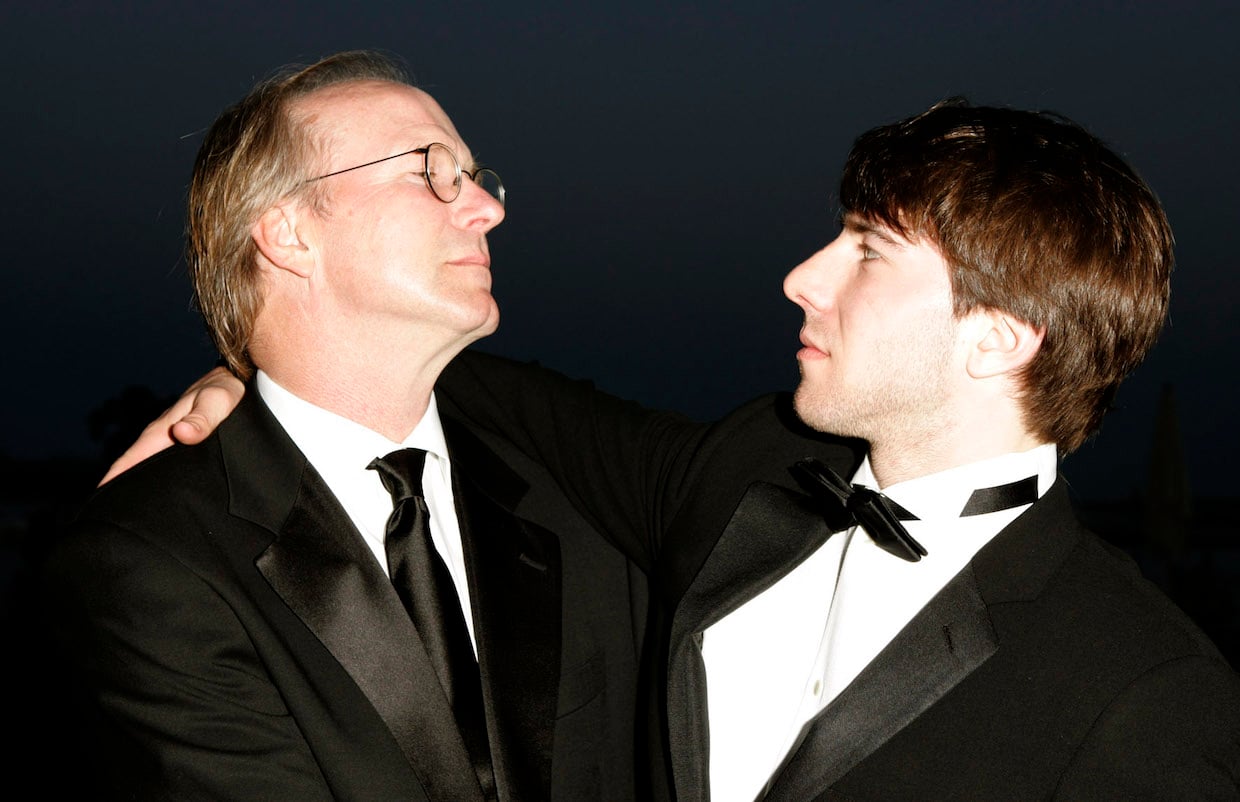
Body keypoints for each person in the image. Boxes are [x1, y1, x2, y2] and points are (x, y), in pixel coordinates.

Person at [110, 101, 1240, 799]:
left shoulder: (1142, 686)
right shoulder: (742, 477)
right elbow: (455, 382)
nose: (803, 276)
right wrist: (245, 378)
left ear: (999, 336)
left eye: (865, 253)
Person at [46, 51, 648, 801]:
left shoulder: (581, 501)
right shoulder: (152, 564)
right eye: (430, 170)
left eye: (474, 178)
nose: (487, 208)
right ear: (289, 233)